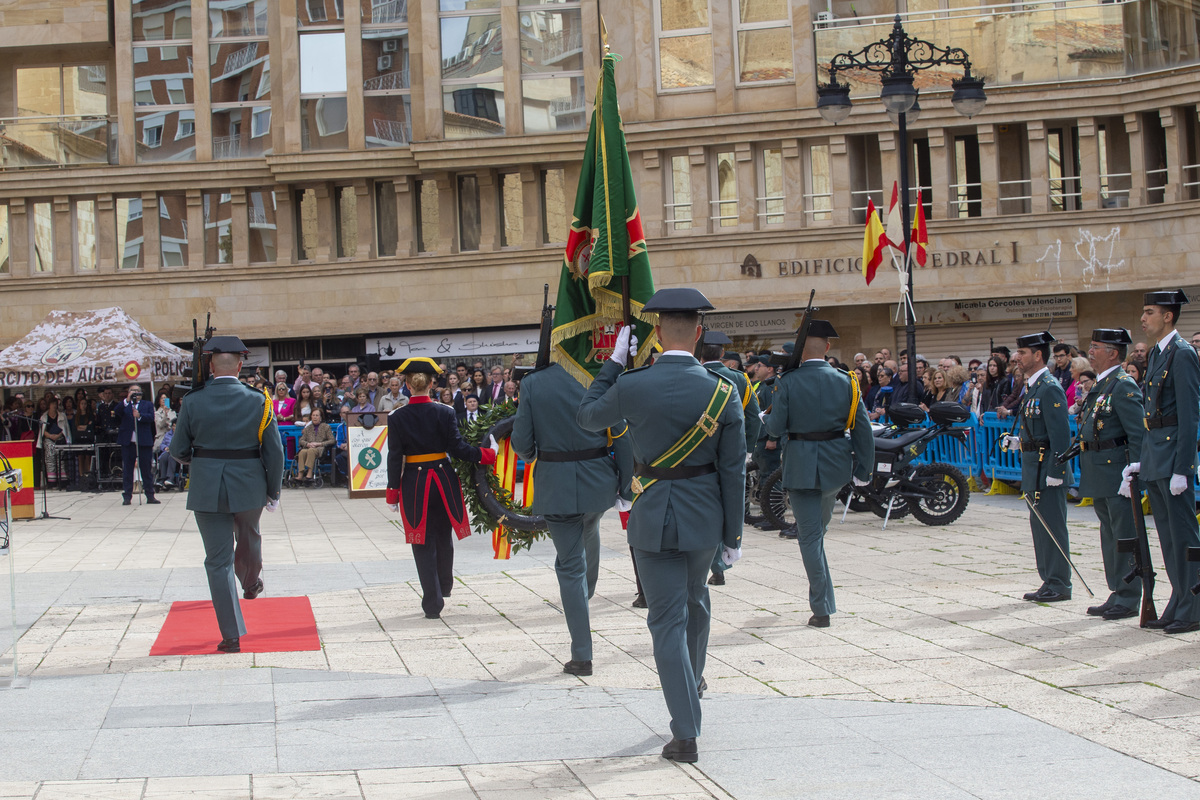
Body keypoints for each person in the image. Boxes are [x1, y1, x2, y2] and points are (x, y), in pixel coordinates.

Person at [577, 288, 745, 765]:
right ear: (697, 334)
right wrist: (732, 537)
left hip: (652, 516)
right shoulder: (723, 390)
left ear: (653, 333)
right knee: (696, 602)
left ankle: (685, 731)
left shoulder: (632, 384)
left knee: (665, 621)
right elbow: (734, 471)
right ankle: (692, 684)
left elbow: (587, 417)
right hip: (705, 518)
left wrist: (612, 364)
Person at [511, 352, 627, 677]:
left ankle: (582, 655)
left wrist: (534, 453)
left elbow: (521, 442)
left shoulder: (533, 383)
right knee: (589, 527)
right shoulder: (597, 378)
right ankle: (585, 596)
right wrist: (625, 481)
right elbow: (621, 432)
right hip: (599, 480)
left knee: (569, 566)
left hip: (556, 483)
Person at [170, 336, 285, 653]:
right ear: (239, 365)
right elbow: (273, 452)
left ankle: (231, 635)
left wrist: (205, 460)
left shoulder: (193, 401)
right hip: (249, 483)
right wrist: (273, 490)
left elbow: (178, 450)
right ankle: (250, 582)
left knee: (218, 562)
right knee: (249, 536)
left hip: (207, 486)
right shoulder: (259, 400)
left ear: (209, 366)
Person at [763, 320, 873, 627]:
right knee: (817, 532)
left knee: (810, 536)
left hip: (800, 463)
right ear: (827, 348)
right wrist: (864, 468)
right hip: (836, 464)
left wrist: (765, 417)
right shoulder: (847, 380)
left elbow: (775, 428)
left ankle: (822, 608)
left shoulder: (788, 381)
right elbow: (861, 427)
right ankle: (824, 599)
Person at [385, 358, 496, 619]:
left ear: (407, 385)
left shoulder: (396, 417)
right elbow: (458, 450)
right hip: (443, 480)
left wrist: (392, 492)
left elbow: (394, 456)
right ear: (432, 383)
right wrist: (488, 454)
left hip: (415, 483)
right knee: (443, 535)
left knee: (421, 541)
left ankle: (432, 602)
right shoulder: (445, 412)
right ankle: (444, 586)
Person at [1120, 290, 1200, 634]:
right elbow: (1151, 416)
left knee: (1183, 536)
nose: (1143, 318)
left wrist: (1184, 467)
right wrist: (1143, 461)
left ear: (1168, 316)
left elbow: (1188, 415)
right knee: (1167, 538)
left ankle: (1194, 605)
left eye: (1149, 312)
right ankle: (1180, 599)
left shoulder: (1182, 354)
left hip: (1173, 460)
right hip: (1157, 457)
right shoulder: (1155, 354)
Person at [1076, 329, 1144, 622]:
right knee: (1109, 534)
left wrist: (1134, 472)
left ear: (1113, 353)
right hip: (1099, 470)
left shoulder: (1123, 386)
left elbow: (1138, 434)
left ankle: (1129, 597)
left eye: (1096, 347)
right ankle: (1117, 590)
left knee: (1125, 535)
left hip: (1118, 470)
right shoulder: (1103, 385)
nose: (1090, 352)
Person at [1000, 331, 1072, 602]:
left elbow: (1061, 435)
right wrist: (1020, 441)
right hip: (1033, 467)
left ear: (1038, 355)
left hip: (1047, 470)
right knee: (1039, 527)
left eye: (1023, 353)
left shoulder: (1050, 387)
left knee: (1052, 526)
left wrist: (1057, 471)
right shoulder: (1033, 386)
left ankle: (1060, 583)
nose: (1017, 357)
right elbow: (1039, 428)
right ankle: (1049, 579)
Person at [699, 329, 759, 584]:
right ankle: (723, 559)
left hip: (701, 455)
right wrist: (747, 449)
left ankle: (716, 566)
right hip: (732, 452)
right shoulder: (739, 379)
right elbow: (754, 417)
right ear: (722, 354)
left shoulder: (697, 376)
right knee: (729, 505)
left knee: (708, 509)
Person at [118, 385, 158, 505]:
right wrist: (127, 400)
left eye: (137, 391)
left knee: (146, 469)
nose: (135, 393)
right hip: (128, 442)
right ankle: (127, 496)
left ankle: (150, 495)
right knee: (128, 470)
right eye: (132, 391)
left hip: (143, 441)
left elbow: (151, 417)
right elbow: (118, 411)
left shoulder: (147, 404)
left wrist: (140, 416)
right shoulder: (125, 404)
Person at [36, 396, 72, 488]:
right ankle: (52, 483)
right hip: (48, 440)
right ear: (49, 405)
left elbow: (65, 429)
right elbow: (42, 430)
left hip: (60, 439)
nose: (54, 406)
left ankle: (63, 482)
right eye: (52, 404)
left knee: (62, 461)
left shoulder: (62, 415)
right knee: (50, 461)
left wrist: (58, 435)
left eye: (55, 404)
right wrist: (50, 436)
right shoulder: (44, 416)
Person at [296, 407, 335, 481]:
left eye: (317, 415)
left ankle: (310, 473)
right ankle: (300, 474)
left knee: (311, 451)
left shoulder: (326, 427)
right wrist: (307, 444)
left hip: (320, 449)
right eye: (313, 415)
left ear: (320, 417)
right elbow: (301, 440)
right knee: (302, 452)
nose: (315, 417)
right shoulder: (308, 428)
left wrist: (319, 444)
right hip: (308, 447)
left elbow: (332, 440)